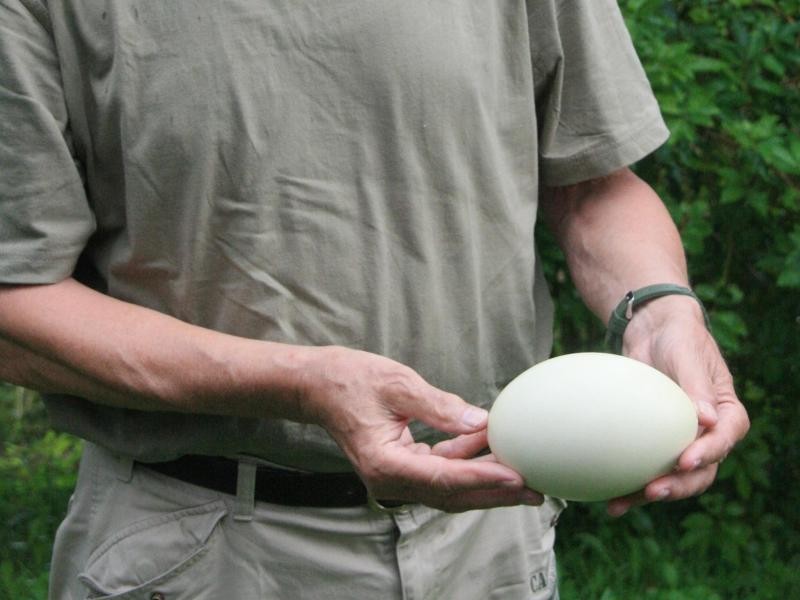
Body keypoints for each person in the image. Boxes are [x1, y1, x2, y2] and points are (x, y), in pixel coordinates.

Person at [0, 1, 749, 598]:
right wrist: (302, 383)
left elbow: (591, 184)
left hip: (489, 546)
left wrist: (658, 307)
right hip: (203, 550)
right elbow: (17, 305)